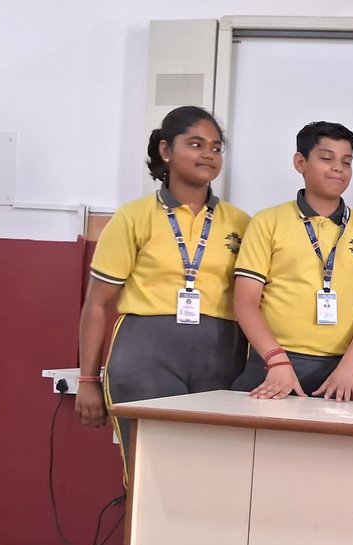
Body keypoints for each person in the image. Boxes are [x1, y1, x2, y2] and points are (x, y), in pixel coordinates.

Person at [76, 106, 251, 482]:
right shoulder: (133, 217)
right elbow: (96, 304)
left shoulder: (241, 223)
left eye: (216, 147)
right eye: (196, 144)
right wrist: (88, 381)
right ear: (166, 151)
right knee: (149, 475)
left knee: (210, 476)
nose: (208, 154)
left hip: (220, 358)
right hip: (146, 357)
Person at [231, 121, 353, 399]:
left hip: (342, 370)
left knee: (336, 444)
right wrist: (276, 359)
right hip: (274, 365)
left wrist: (351, 365)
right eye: (327, 158)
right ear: (300, 162)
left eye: (346, 161)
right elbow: (245, 300)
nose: (338, 168)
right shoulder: (268, 222)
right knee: (260, 442)